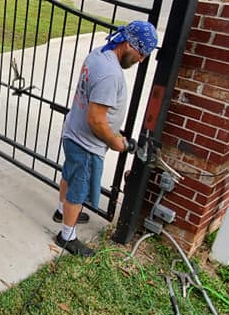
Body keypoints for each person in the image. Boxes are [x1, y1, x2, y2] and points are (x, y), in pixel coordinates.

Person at [53, 20, 159, 256]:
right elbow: (96, 121)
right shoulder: (111, 74)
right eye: (141, 53)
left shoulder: (99, 54)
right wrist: (114, 141)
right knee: (78, 190)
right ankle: (66, 236)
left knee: (69, 175)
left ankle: (63, 210)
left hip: (73, 132)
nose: (141, 60)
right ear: (129, 44)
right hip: (86, 144)